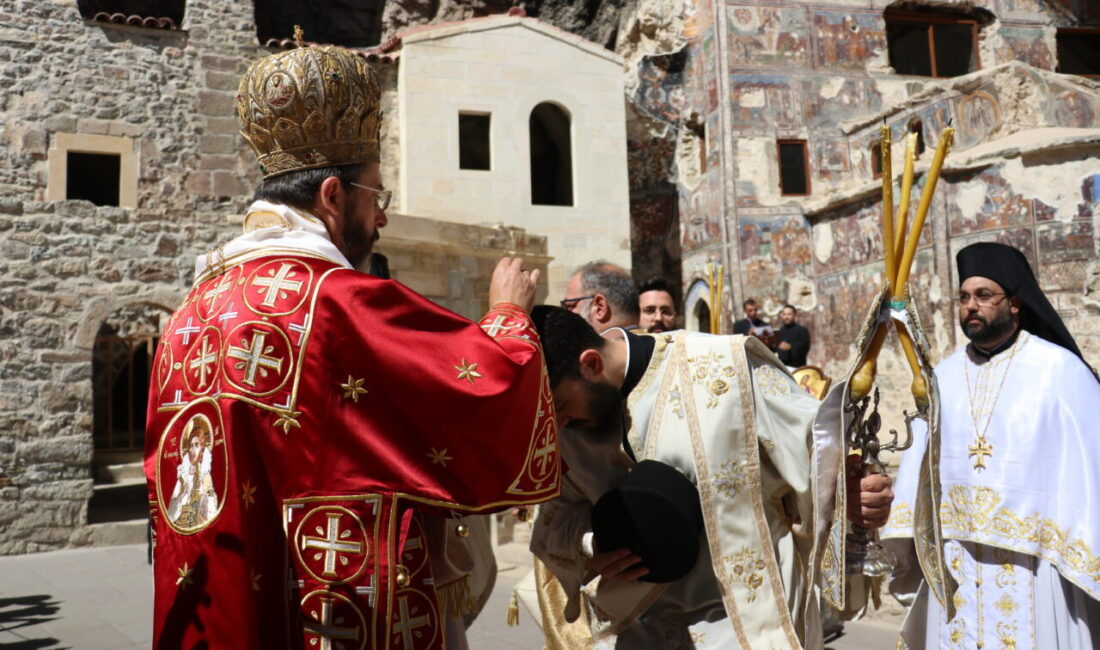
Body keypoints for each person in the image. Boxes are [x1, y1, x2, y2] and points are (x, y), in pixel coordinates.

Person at [143, 42, 560, 650]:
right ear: (333, 196)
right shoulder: (337, 301)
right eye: (377, 197)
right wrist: (509, 317)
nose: (382, 219)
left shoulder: (191, 311)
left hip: (217, 612)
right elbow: (479, 387)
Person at [529, 306, 893, 649]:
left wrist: (852, 491)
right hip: (640, 628)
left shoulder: (722, 364)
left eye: (560, 406)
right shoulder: (562, 427)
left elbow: (813, 446)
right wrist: (595, 546)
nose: (559, 424)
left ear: (591, 364)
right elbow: (556, 519)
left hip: (744, 625)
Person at [882, 242, 1100, 649]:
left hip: (1034, 564)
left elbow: (1092, 459)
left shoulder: (1059, 371)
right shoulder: (941, 377)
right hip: (956, 560)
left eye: (984, 296)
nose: (971, 306)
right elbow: (920, 468)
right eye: (964, 297)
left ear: (1014, 303)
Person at [561, 260, 640, 333]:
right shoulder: (649, 344)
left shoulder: (596, 348)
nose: (565, 316)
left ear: (600, 308)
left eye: (569, 306)